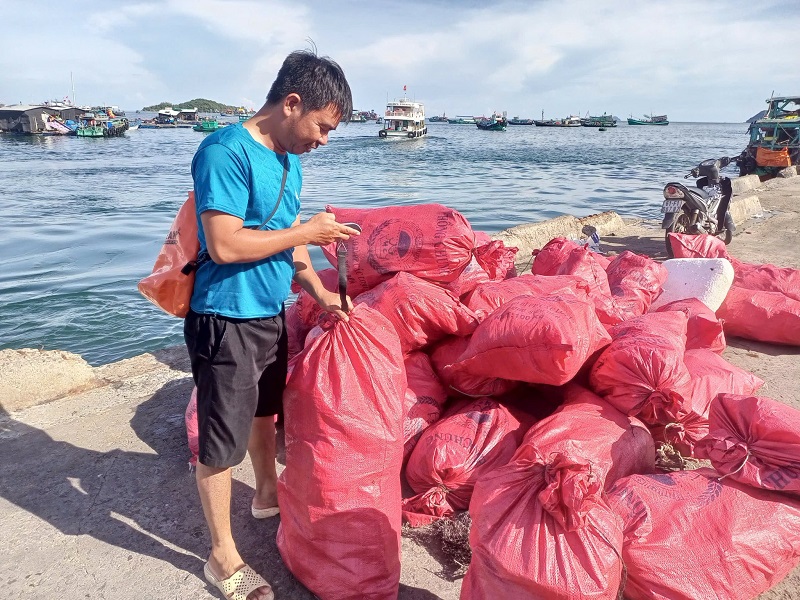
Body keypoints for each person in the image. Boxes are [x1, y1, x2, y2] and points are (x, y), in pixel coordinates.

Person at [185, 49, 358, 600]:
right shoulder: (224, 151)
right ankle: (221, 557)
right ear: (291, 103)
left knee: (266, 413)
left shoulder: (290, 161)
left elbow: (290, 248)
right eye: (323, 127)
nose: (324, 140)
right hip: (225, 318)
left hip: (268, 314)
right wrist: (306, 232)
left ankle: (265, 494)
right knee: (219, 443)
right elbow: (225, 243)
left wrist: (323, 295)